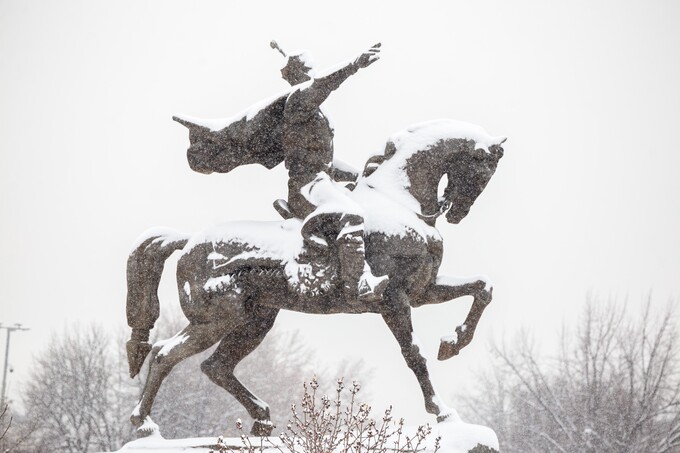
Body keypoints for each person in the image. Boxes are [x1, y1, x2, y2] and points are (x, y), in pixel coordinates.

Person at [271, 42, 387, 303]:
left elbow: (327, 163)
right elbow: (324, 85)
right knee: (352, 214)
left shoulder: (312, 111)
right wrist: (353, 65)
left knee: (362, 203)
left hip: (320, 180)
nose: (313, 76)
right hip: (305, 186)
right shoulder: (298, 101)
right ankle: (359, 284)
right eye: (308, 71)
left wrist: (359, 175)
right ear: (299, 74)